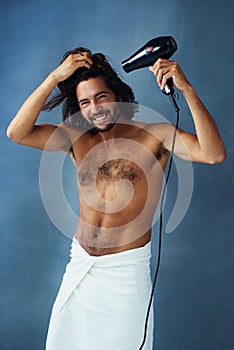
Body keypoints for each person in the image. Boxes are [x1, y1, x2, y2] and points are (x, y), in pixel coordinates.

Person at [7, 47, 226, 350]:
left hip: (126, 274)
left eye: (101, 97)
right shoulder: (76, 138)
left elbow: (213, 154)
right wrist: (54, 77)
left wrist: (185, 88)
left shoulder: (155, 135)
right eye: (85, 102)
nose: (94, 108)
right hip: (80, 267)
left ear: (119, 96)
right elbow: (16, 133)